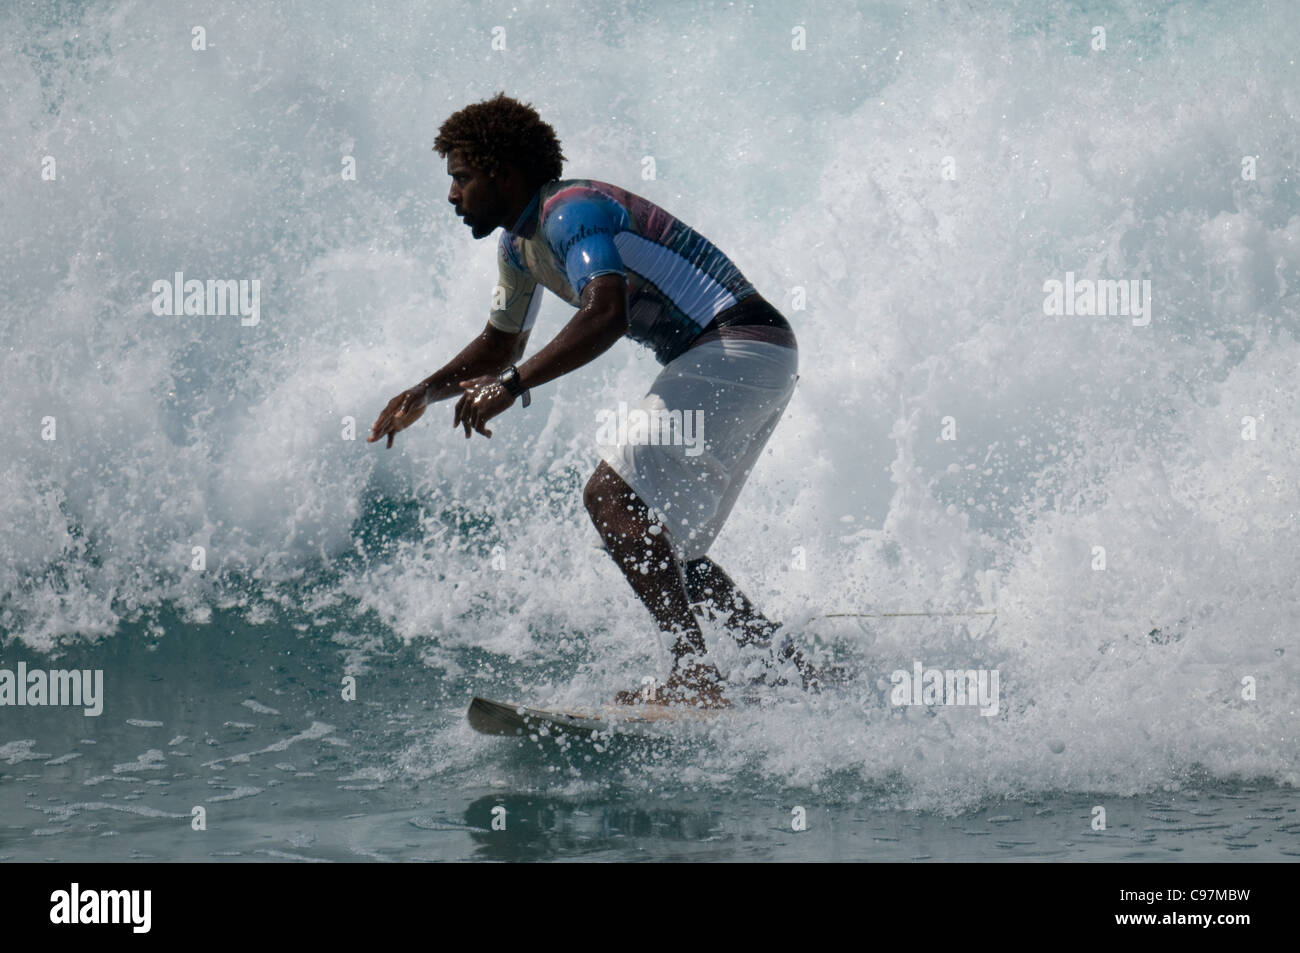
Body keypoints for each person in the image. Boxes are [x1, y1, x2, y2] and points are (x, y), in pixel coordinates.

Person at [368, 93, 816, 707]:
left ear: (504, 172)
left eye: (462, 177)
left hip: (733, 345)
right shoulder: (519, 246)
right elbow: (499, 344)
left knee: (611, 498)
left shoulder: (570, 213)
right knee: (665, 547)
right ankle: (784, 666)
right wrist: (426, 390)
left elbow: (605, 312)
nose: (452, 195)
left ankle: (693, 677)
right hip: (757, 355)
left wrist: (513, 386)